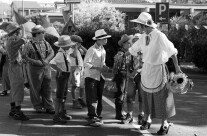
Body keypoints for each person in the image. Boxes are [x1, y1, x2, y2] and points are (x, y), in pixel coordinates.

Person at [122, 12, 181, 135]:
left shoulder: (159, 35)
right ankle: (147, 119)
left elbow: (172, 50)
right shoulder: (143, 36)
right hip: (147, 70)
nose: (137, 27)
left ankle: (164, 124)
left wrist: (177, 68)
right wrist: (122, 55)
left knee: (162, 97)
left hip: (158, 69)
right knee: (146, 96)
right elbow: (133, 49)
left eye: (138, 25)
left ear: (144, 25)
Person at [23, 25, 55, 114]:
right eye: (42, 33)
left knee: (47, 87)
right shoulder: (28, 44)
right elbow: (24, 56)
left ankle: (49, 106)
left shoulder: (45, 42)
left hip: (46, 67)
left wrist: (47, 60)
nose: (44, 34)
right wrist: (35, 61)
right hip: (34, 68)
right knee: (35, 88)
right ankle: (38, 106)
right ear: (37, 34)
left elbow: (52, 52)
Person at [84, 29, 110, 127]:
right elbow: (86, 63)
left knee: (98, 97)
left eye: (106, 39)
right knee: (92, 97)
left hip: (99, 76)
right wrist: (98, 68)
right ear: (98, 40)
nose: (105, 40)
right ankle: (92, 117)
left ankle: (96, 116)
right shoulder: (92, 49)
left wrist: (104, 66)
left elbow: (103, 63)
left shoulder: (102, 49)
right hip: (91, 76)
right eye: (104, 39)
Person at [5, 22, 29, 120]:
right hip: (15, 67)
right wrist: (23, 28)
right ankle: (18, 112)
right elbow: (24, 39)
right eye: (18, 32)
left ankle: (13, 109)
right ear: (15, 33)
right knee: (18, 88)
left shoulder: (9, 41)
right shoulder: (12, 42)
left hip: (12, 66)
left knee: (13, 89)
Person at [50, 35, 75, 124]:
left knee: (63, 95)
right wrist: (59, 70)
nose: (70, 46)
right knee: (59, 96)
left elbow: (74, 54)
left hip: (66, 74)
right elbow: (51, 63)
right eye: (69, 45)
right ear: (65, 46)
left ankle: (62, 112)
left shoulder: (66, 52)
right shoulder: (60, 54)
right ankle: (56, 115)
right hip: (62, 75)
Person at [69, 35, 87, 109]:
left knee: (82, 85)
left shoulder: (79, 49)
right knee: (75, 85)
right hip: (74, 68)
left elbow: (86, 52)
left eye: (80, 43)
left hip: (80, 68)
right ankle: (74, 101)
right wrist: (76, 46)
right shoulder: (69, 49)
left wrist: (80, 46)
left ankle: (80, 98)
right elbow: (74, 55)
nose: (79, 44)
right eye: (78, 43)